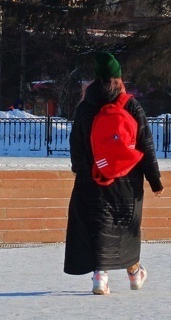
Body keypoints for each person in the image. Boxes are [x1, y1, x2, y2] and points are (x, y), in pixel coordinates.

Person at [64, 52, 163, 295]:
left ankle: (100, 276)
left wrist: (81, 170)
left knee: (99, 225)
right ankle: (134, 273)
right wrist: (154, 179)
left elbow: (75, 143)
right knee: (127, 228)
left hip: (94, 176)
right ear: (119, 79)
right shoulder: (131, 105)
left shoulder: (86, 107)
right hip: (127, 180)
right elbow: (145, 144)